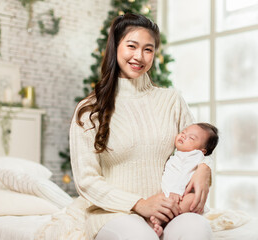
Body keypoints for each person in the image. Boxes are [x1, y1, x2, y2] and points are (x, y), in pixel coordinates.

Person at [70, 13, 213, 240]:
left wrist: (205, 170)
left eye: (148, 49)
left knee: (197, 230)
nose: (140, 56)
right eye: (132, 46)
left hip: (169, 212)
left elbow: (201, 145)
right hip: (115, 214)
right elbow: (86, 181)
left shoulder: (171, 100)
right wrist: (139, 204)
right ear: (115, 47)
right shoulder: (89, 109)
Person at [149, 122, 219, 237]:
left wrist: (177, 190)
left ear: (202, 150)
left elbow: (185, 173)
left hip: (180, 194)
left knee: (191, 199)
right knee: (162, 204)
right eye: (183, 133)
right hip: (171, 193)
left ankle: (160, 222)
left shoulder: (194, 155)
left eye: (191, 138)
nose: (183, 136)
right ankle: (163, 225)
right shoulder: (179, 153)